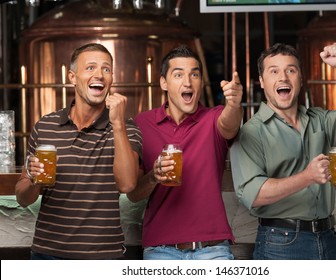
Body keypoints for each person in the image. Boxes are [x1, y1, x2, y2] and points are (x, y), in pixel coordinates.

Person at [230, 42, 336, 260]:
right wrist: (307, 177)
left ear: (300, 79)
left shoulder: (320, 120)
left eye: (291, 70)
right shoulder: (251, 132)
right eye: (274, 71)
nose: (283, 78)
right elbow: (253, 194)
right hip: (280, 242)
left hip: (328, 236)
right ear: (261, 81)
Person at [15, 43, 142, 260]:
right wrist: (34, 182)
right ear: (72, 77)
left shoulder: (126, 127)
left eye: (106, 69)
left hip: (103, 258)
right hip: (47, 256)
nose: (99, 75)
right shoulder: (45, 126)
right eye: (90, 68)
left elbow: (128, 184)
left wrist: (118, 124)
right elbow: (22, 197)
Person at [127, 45, 243, 260]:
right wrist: (153, 177)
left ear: (201, 82)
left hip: (213, 248)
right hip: (160, 249)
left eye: (195, 74)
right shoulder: (143, 123)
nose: (188, 82)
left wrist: (235, 104)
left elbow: (230, 124)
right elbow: (133, 195)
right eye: (178, 74)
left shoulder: (213, 118)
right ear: (164, 82)